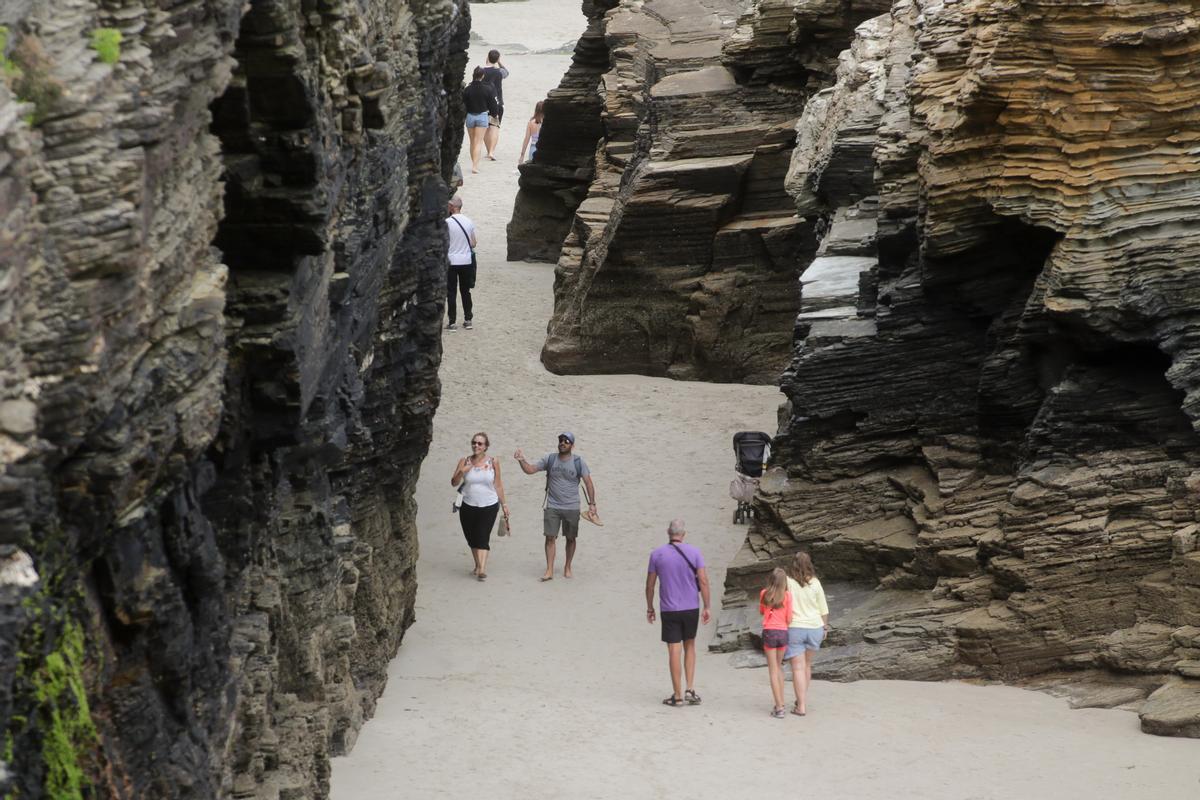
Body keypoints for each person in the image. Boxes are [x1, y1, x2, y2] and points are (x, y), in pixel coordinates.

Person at [513, 432, 597, 581]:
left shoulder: (578, 462)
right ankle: (549, 570)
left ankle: (567, 566)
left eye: (566, 441)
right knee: (550, 538)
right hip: (552, 505)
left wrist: (592, 505)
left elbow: (588, 482)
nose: (562, 443)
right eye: (560, 440)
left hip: (572, 506)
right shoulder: (550, 459)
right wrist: (521, 460)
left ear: (572, 445)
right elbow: (531, 470)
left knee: (571, 538)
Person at [645, 519, 711, 707]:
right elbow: (704, 581)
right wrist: (707, 606)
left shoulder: (657, 554)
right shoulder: (695, 552)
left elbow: (650, 585)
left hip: (669, 608)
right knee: (689, 645)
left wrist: (650, 607)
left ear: (668, 532)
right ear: (684, 534)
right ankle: (690, 688)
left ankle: (677, 694)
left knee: (674, 649)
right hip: (691, 607)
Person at [451, 432, 510, 581]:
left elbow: (498, 484)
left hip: (489, 505)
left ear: (486, 447)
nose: (476, 445)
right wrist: (462, 471)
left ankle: (482, 569)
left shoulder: (493, 462)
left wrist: (504, 504)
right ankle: (477, 565)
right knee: (471, 537)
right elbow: (454, 482)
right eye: (474, 443)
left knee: (483, 536)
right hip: (468, 505)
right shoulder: (464, 461)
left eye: (480, 444)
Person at [785, 551, 829, 716]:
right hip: (815, 628)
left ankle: (801, 706)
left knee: (797, 668)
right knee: (807, 665)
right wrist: (825, 627)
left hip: (795, 628)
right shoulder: (816, 583)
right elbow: (823, 609)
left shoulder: (788, 582)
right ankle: (801, 699)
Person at [759, 568, 793, 719]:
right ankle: (781, 702)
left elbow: (761, 611)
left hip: (769, 632)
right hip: (783, 633)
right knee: (779, 668)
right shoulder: (788, 596)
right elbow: (789, 618)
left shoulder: (764, 593)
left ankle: (779, 707)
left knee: (772, 670)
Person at [445, 195, 476, 331]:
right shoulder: (468, 221)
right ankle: (468, 319)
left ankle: (452, 322)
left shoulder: (447, 222)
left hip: (451, 261)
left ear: (452, 207)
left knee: (451, 292)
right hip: (466, 261)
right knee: (465, 291)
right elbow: (473, 243)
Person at [462, 66, 499, 173]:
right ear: (482, 76)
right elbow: (493, 104)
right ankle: (474, 166)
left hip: (470, 116)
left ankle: (473, 163)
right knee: (478, 142)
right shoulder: (487, 89)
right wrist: (494, 114)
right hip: (482, 116)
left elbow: (463, 104)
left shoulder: (467, 89)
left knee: (472, 142)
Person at [481, 50, 509, 160]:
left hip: (484, 103)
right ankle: (492, 152)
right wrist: (499, 62)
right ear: (497, 59)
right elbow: (507, 72)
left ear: (487, 57)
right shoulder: (499, 72)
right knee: (495, 127)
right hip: (497, 102)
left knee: (486, 128)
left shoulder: (481, 71)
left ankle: (488, 151)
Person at [518, 100, 544, 165]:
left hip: (533, 148)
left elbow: (526, 139)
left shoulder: (531, 122)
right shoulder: (547, 122)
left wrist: (522, 155)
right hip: (543, 148)